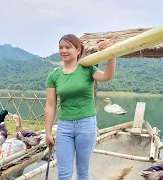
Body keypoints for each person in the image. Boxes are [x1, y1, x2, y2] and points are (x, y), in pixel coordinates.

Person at [44, 34, 116, 180]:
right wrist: (48, 132)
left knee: (83, 171)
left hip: (86, 125)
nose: (63, 50)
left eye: (68, 47)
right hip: (64, 127)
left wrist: (111, 55)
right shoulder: (54, 75)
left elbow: (106, 76)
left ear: (78, 50)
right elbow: (51, 105)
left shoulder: (87, 68)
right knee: (63, 174)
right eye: (61, 47)